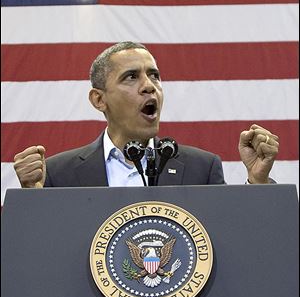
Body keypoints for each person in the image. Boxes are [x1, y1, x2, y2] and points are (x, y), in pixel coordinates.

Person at [13, 41, 279, 188]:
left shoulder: (202, 168)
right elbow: (37, 255)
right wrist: (32, 199)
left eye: (154, 76)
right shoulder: (59, 174)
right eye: (131, 77)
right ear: (99, 99)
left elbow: (233, 242)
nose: (149, 86)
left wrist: (258, 182)